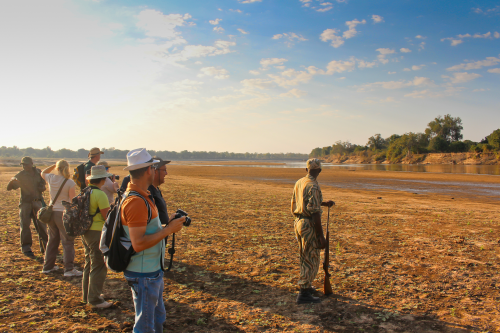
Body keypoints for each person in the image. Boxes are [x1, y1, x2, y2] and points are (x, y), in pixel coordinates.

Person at [121, 148, 184, 332]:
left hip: (150, 271)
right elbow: (138, 243)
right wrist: (168, 230)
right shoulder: (136, 201)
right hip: (143, 274)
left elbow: (145, 232)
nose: (157, 171)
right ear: (149, 170)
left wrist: (167, 226)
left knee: (156, 318)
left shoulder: (143, 196)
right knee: (145, 325)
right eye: (154, 168)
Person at [291, 158, 334, 304]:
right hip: (309, 224)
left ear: (306, 170)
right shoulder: (314, 186)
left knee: (305, 255)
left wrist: (323, 202)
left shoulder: (300, 182)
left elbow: (303, 201)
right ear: (320, 171)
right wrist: (321, 236)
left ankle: (306, 286)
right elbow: (314, 212)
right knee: (311, 258)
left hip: (298, 222)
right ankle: (303, 293)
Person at [40, 160, 83, 277]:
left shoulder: (51, 178)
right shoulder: (69, 183)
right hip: (63, 213)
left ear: (57, 168)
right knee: (67, 241)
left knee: (52, 240)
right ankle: (69, 269)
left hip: (51, 213)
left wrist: (54, 165)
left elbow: (43, 172)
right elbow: (72, 201)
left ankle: (48, 267)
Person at [82, 165, 112, 308]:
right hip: (97, 232)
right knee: (99, 265)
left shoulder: (85, 191)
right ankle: (94, 299)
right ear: (104, 179)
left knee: (89, 263)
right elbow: (107, 216)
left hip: (86, 231)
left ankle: (87, 295)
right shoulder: (100, 194)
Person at [6, 156, 48, 258]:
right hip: (25, 203)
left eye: (26, 164)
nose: (25, 166)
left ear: (32, 163)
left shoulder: (39, 172)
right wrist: (12, 181)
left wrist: (42, 187)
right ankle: (26, 248)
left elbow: (44, 184)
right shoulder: (21, 175)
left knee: (41, 225)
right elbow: (9, 187)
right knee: (25, 226)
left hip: (37, 202)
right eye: (23, 164)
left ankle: (46, 247)